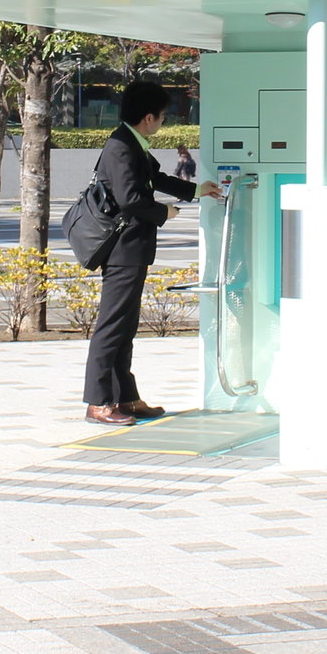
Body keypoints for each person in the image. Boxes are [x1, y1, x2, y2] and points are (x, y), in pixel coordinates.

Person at [82, 81, 216, 427]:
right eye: (162, 116)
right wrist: (164, 213)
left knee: (124, 326)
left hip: (132, 248)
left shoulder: (131, 143)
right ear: (148, 117)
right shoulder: (122, 146)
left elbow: (153, 177)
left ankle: (125, 397)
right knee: (112, 325)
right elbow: (130, 199)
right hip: (123, 249)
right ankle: (98, 403)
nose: (163, 123)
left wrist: (197, 190)